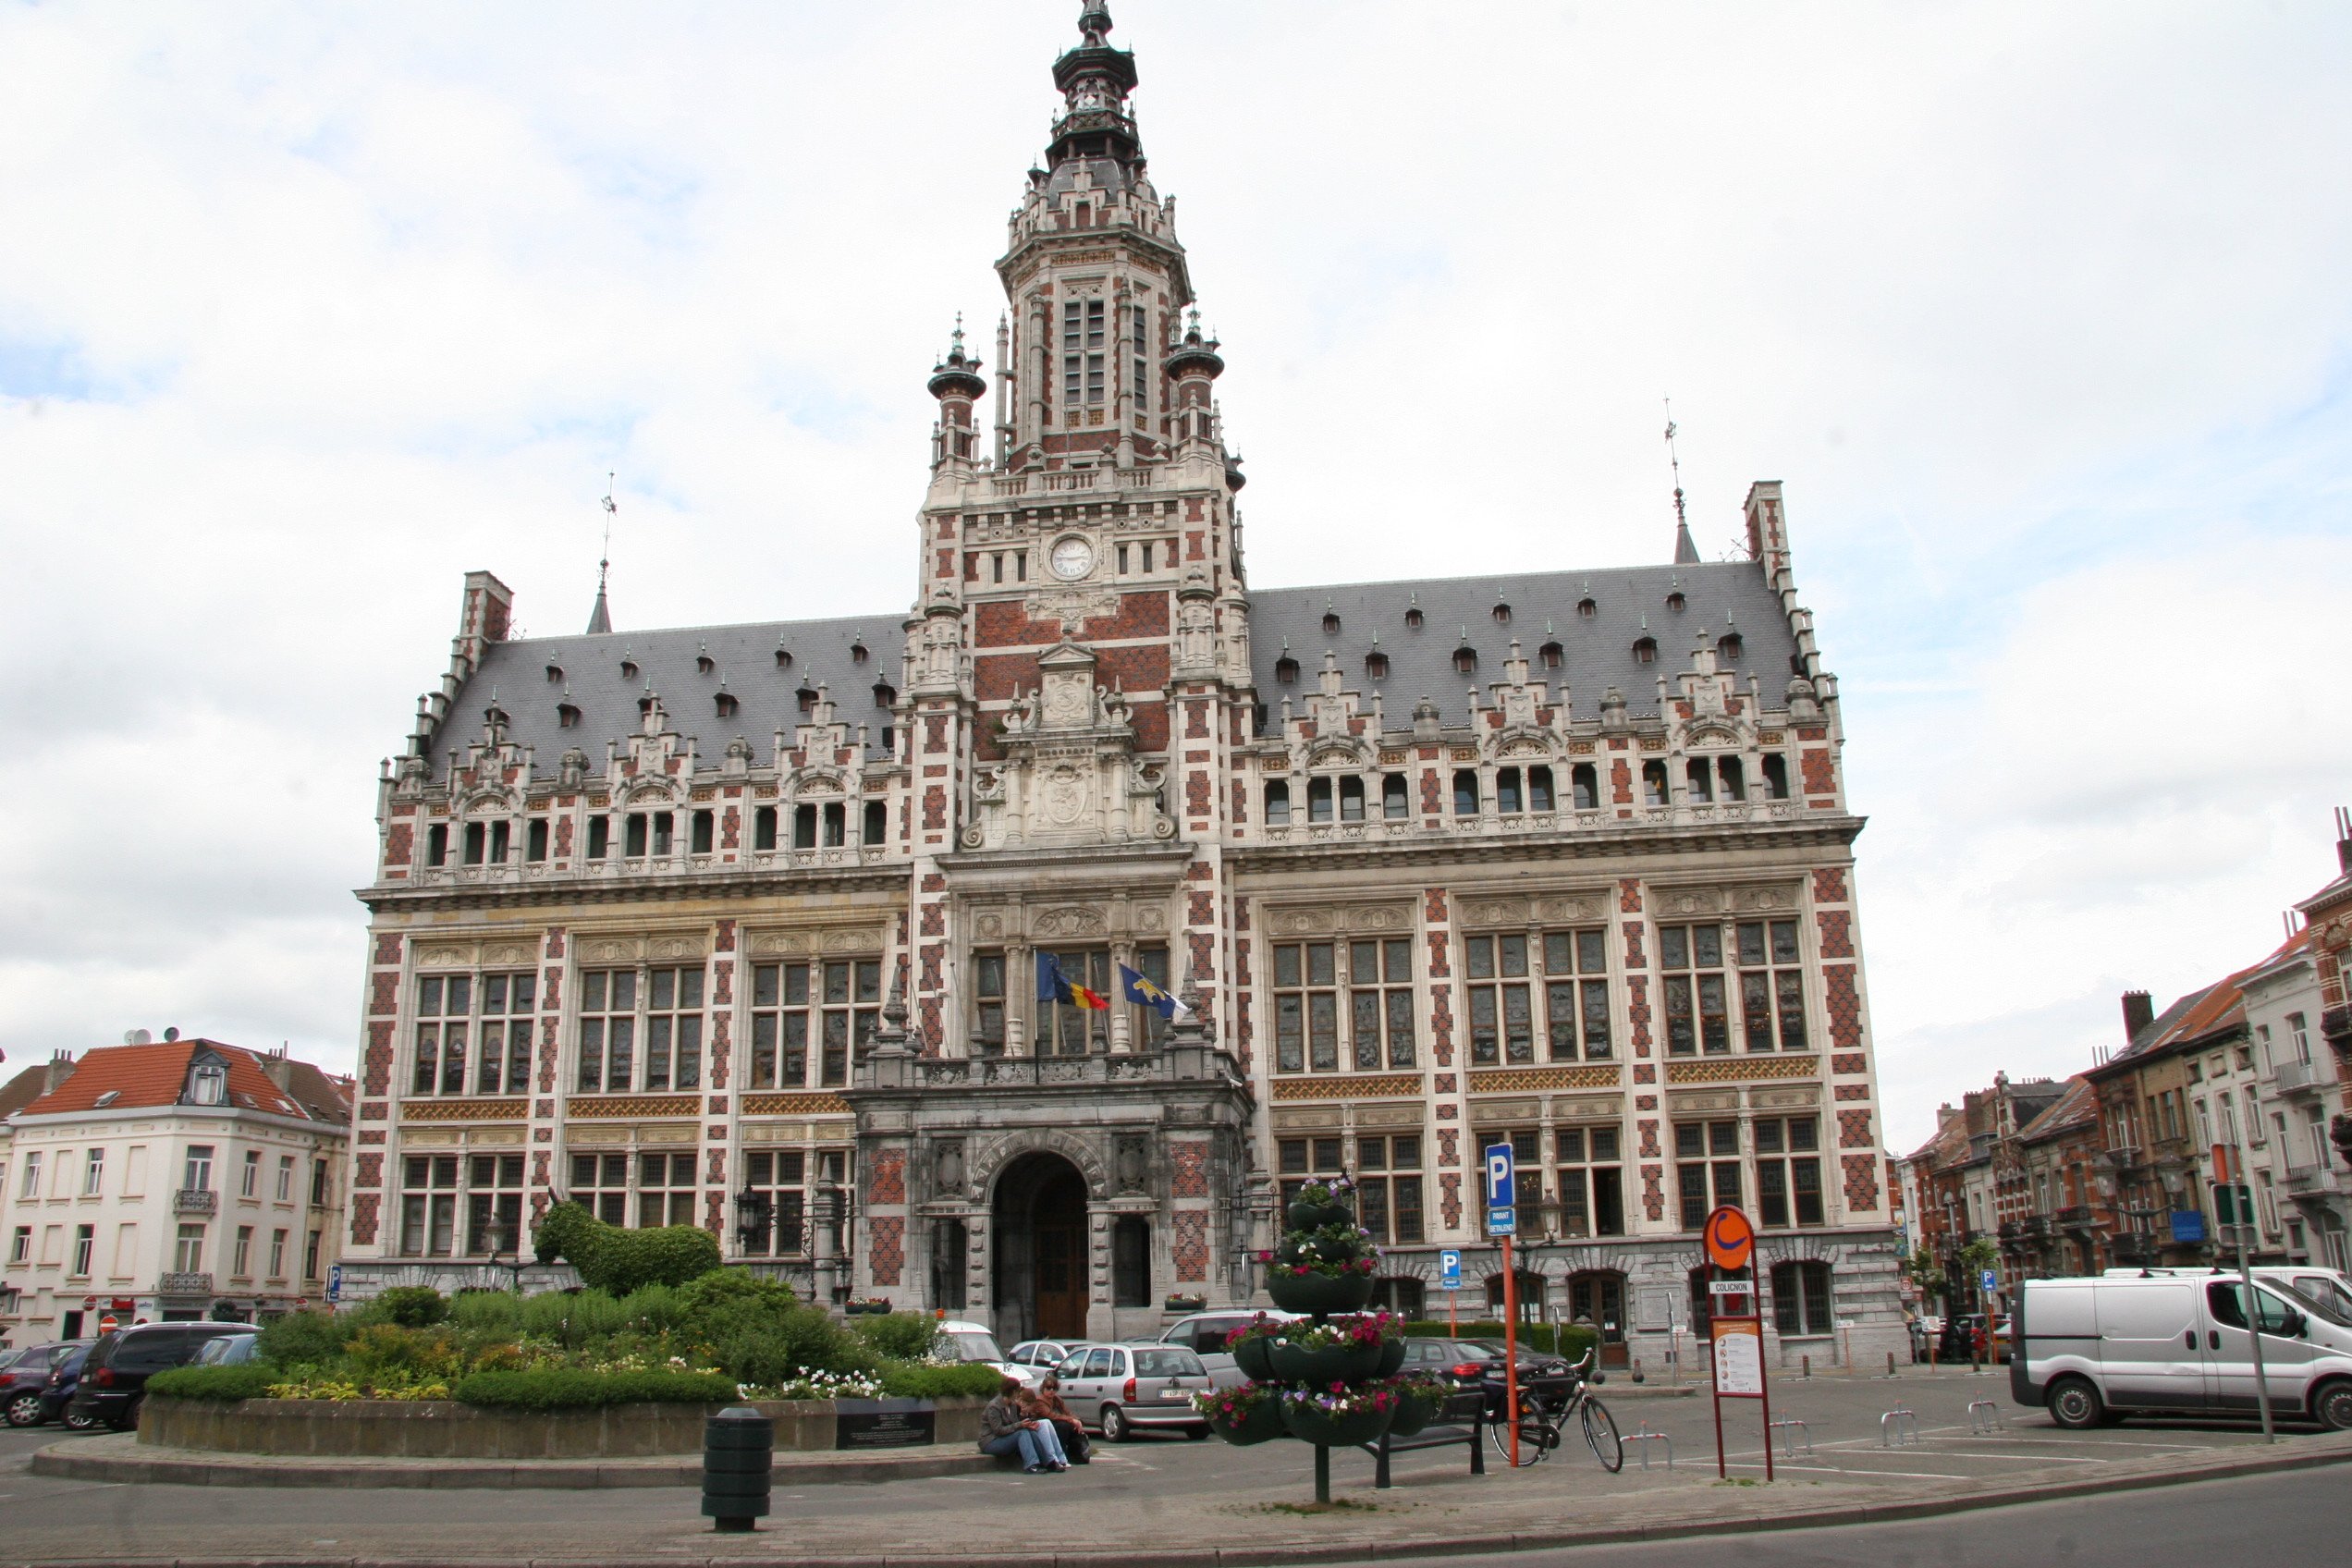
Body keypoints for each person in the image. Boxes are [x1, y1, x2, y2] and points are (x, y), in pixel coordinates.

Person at [978, 1377, 1058, 1474]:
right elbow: (998, 1430)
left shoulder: (1012, 1405)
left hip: (1004, 1437)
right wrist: (1020, 1425)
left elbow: (1014, 1423)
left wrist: (1027, 1424)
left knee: (1030, 1432)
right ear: (1013, 1392)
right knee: (1022, 1433)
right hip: (990, 1442)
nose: (1019, 1394)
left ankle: (1048, 1462)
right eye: (1018, 1391)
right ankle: (1031, 1465)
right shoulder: (994, 1406)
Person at [1033, 1376, 1090, 1464]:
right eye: (1048, 1388)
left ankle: (1077, 1455)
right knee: (1064, 1426)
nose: (1051, 1391)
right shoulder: (1039, 1401)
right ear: (1043, 1388)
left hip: (1057, 1424)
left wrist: (1077, 1420)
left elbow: (1067, 1412)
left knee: (1074, 1426)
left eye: (1054, 1388)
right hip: (1045, 1427)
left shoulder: (1057, 1399)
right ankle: (1061, 1454)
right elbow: (1051, 1415)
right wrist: (1071, 1420)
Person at [1017, 1386, 1072, 1468]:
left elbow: (1031, 1418)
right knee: (1043, 1425)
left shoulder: (1026, 1409)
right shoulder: (1016, 1407)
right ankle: (1052, 1458)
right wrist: (1023, 1415)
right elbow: (1017, 1422)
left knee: (1046, 1422)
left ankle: (1061, 1458)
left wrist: (1031, 1420)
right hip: (1022, 1430)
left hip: (1028, 1426)